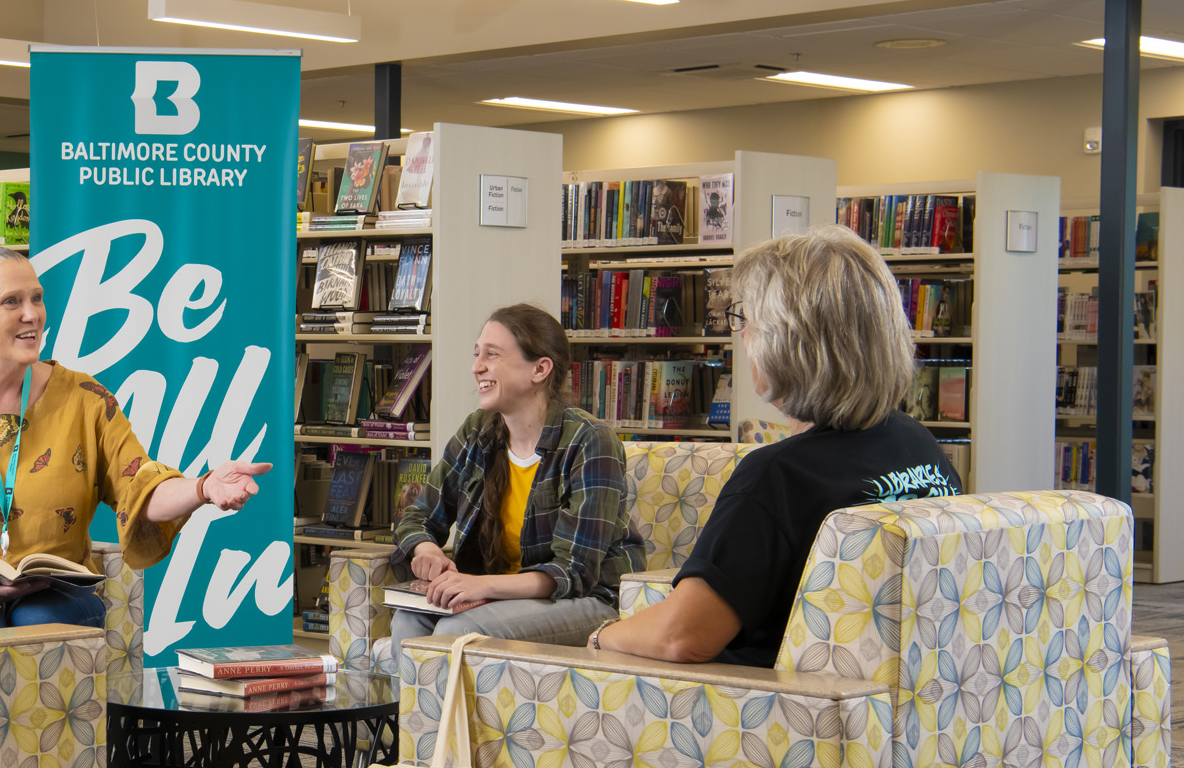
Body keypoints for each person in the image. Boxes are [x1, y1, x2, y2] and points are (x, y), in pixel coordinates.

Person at [591, 225, 961, 667]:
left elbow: (682, 637)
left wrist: (600, 637)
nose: (742, 336)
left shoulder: (779, 477)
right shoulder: (918, 444)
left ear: (789, 341)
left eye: (747, 320)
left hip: (767, 715)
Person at [0, 244, 269, 634]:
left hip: (49, 593)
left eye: (37, 298)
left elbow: (140, 487)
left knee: (40, 622)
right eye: (11, 301)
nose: (32, 314)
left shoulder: (85, 399)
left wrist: (203, 487)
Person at [387, 302, 644, 674]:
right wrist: (426, 548)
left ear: (540, 369)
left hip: (586, 600)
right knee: (408, 623)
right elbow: (418, 514)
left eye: (492, 355)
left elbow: (572, 572)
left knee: (458, 628)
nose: (477, 367)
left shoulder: (591, 441)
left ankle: (458, 735)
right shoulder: (478, 430)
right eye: (477, 354)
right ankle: (415, 734)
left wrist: (480, 586)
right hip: (496, 594)